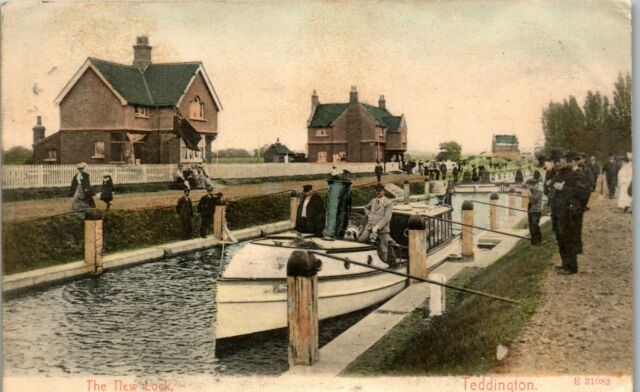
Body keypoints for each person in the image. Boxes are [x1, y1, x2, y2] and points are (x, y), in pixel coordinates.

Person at [553, 152, 588, 274]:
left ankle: (571, 267)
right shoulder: (563, 173)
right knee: (562, 237)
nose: (559, 164)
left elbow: (582, 193)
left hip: (571, 211)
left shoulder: (578, 174)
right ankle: (565, 263)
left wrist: (563, 188)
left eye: (562, 161)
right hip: (561, 210)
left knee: (569, 238)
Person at [358, 183, 396, 267]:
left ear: (384, 191)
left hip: (382, 230)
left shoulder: (388, 203)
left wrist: (378, 226)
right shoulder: (373, 200)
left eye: (380, 191)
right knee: (361, 241)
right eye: (377, 191)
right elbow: (366, 207)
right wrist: (369, 215)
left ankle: (384, 266)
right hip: (369, 226)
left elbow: (387, 218)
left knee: (383, 249)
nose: (378, 192)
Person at [526, 178, 543, 245]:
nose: (527, 187)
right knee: (531, 226)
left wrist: (529, 194)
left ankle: (538, 240)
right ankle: (534, 241)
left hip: (536, 211)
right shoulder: (531, 191)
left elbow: (534, 200)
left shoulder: (539, 191)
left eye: (528, 185)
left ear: (532, 185)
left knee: (535, 226)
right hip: (531, 210)